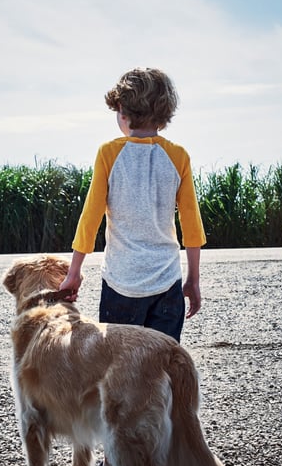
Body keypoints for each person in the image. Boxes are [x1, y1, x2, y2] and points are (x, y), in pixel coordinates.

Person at [59, 67, 206, 344]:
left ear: (123, 112)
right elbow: (191, 226)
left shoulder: (109, 153)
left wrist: (74, 272)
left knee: (118, 371)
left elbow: (90, 218)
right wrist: (193, 280)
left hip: (121, 284)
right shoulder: (178, 157)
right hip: (166, 282)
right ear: (164, 113)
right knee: (161, 368)